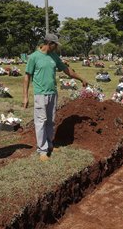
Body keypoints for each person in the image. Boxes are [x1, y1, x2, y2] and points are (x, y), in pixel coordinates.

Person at [22, 33, 88, 161]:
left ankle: (49, 144)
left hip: (53, 92)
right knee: (41, 121)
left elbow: (66, 70)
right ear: (49, 44)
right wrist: (25, 96)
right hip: (40, 94)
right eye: (55, 45)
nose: (56, 47)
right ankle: (42, 150)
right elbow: (27, 77)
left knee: (51, 120)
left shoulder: (54, 56)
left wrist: (81, 78)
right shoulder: (34, 57)